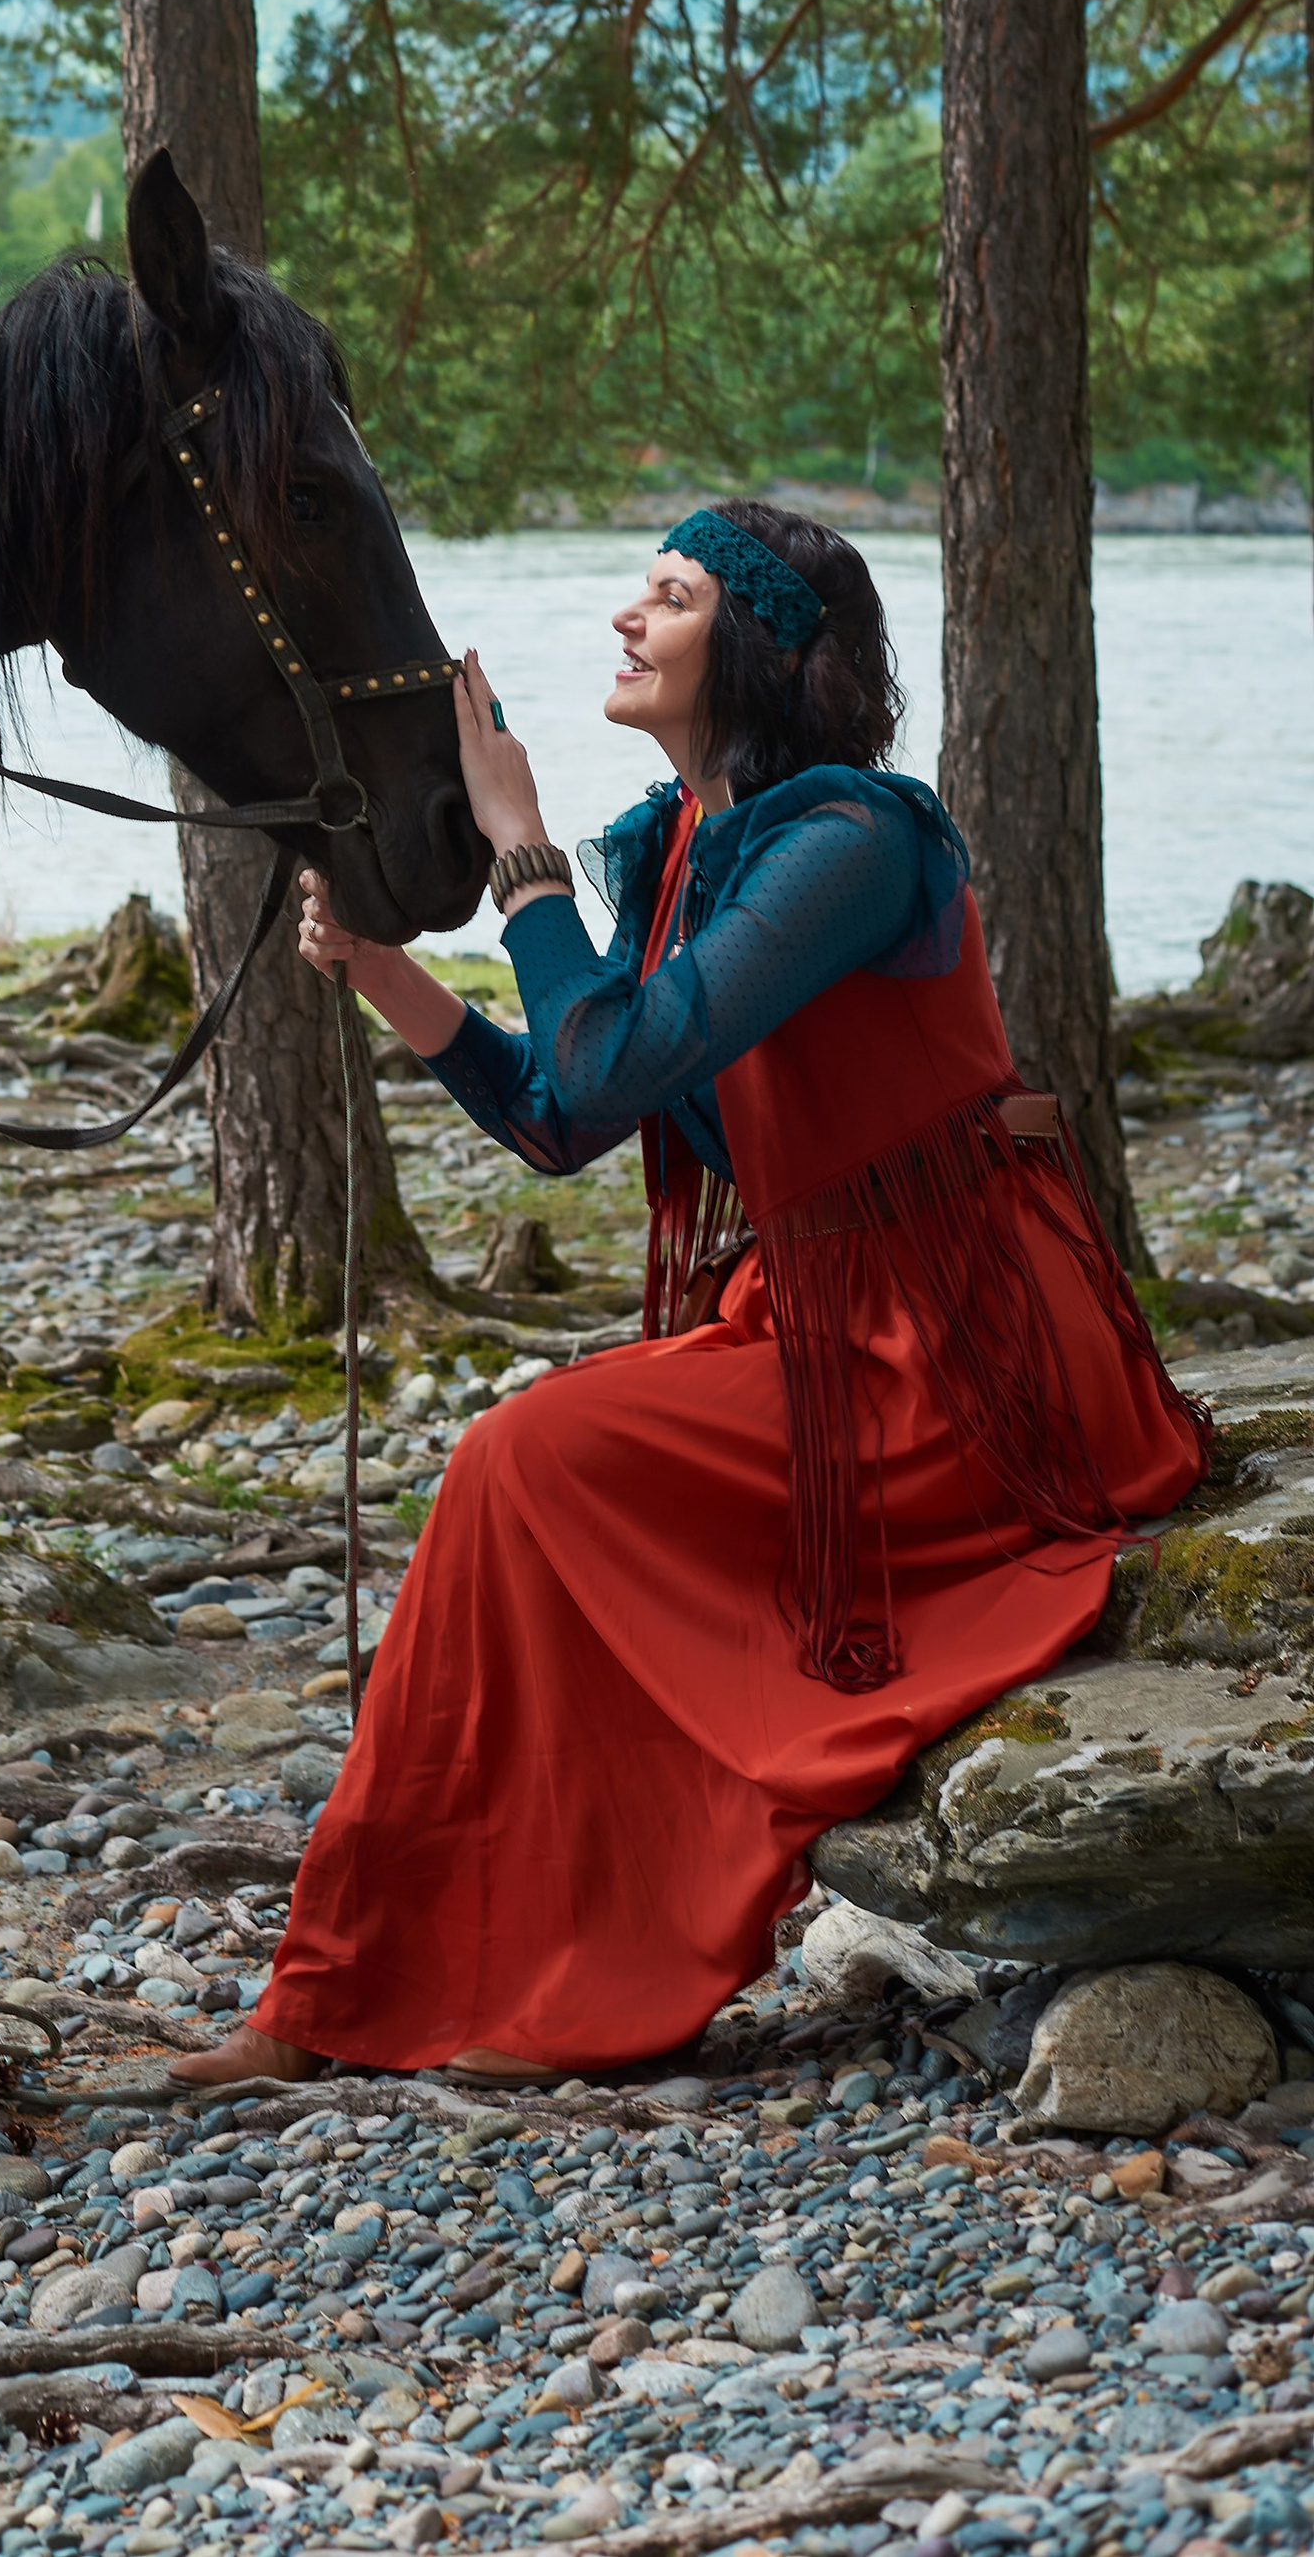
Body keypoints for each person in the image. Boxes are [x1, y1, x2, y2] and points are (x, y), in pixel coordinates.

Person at [179, 500, 1205, 2089]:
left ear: (763, 647)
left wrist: (518, 850)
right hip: (809, 1318)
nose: (626, 619)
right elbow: (560, 1115)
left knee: (522, 1463)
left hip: (964, 1351)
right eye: (638, 590)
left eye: (670, 595)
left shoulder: (852, 842)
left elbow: (615, 1063)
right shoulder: (676, 854)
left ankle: (485, 1979)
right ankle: (365, 1985)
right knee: (529, 1479)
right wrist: (391, 975)